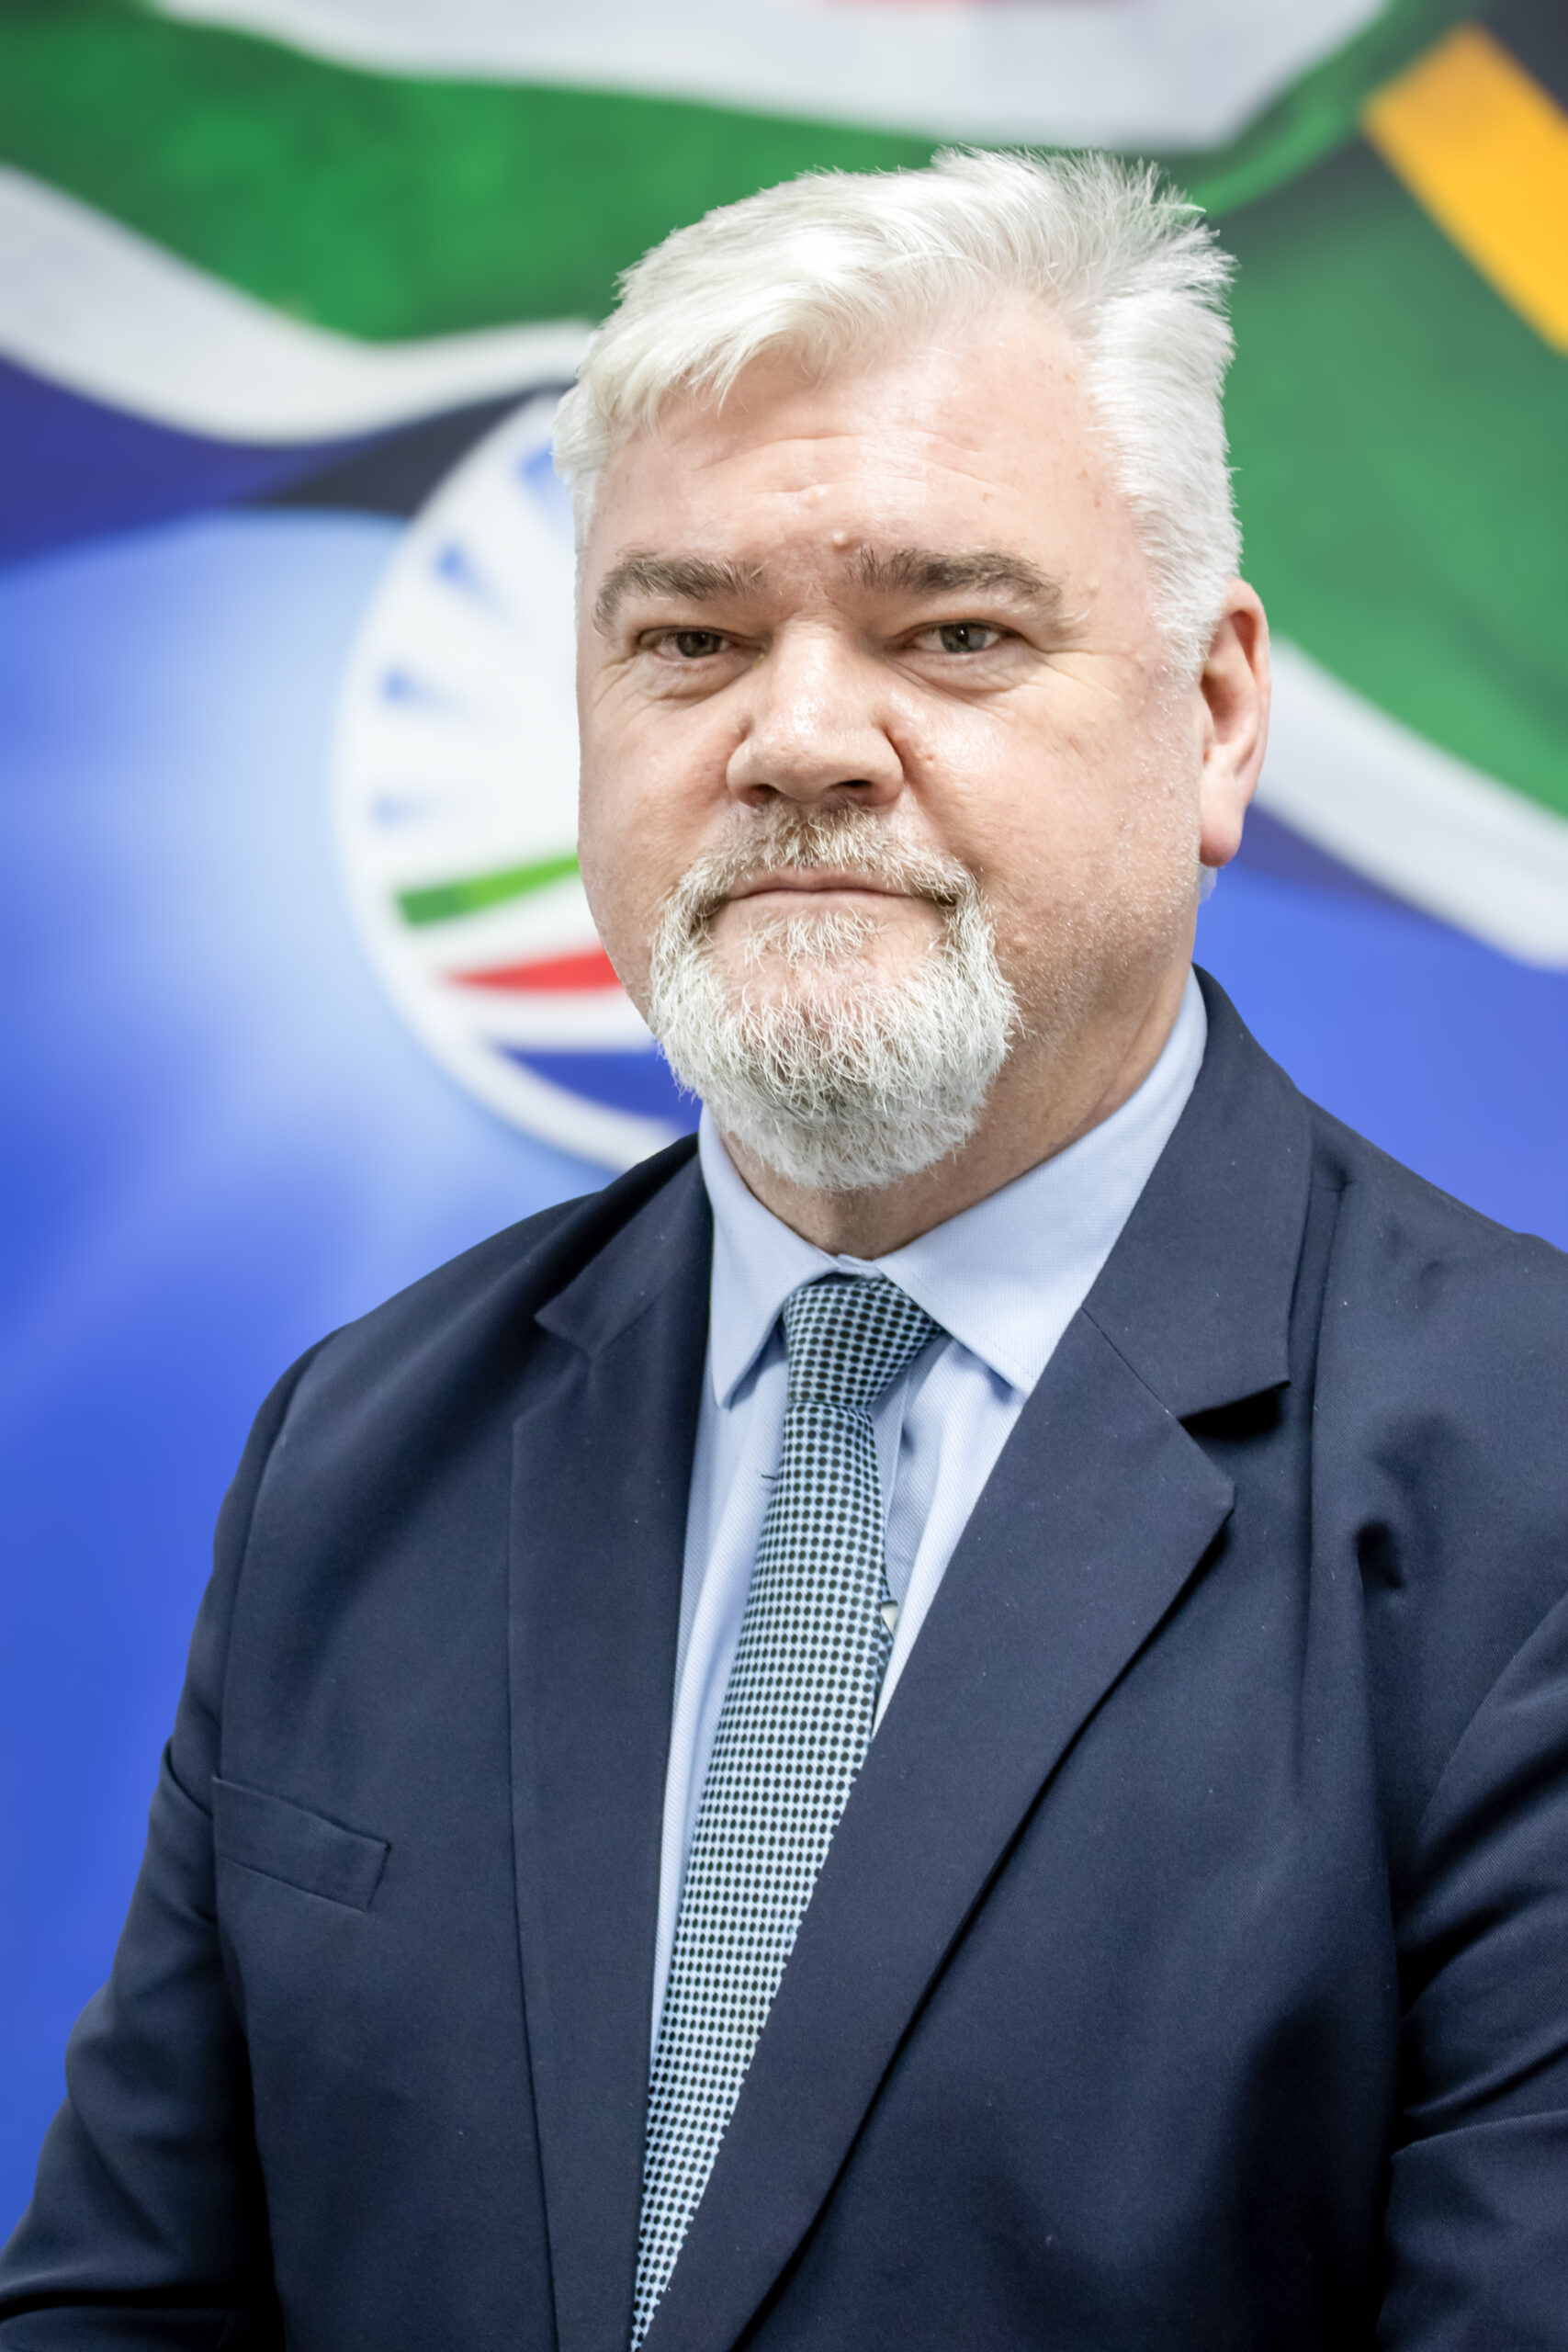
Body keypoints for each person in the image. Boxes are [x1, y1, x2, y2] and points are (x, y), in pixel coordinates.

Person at [3, 149, 1565, 2352]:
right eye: (690, 639)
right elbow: (126, 2305)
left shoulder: (1529, 1483)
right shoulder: (355, 1447)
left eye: (953, 629)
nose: (799, 739)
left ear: (1213, 713)